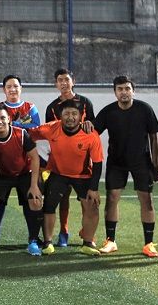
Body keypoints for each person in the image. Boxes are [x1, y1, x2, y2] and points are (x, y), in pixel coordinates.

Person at [93, 76, 158, 257]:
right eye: (120, 89)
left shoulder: (144, 109)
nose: (124, 92)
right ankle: (110, 241)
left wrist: (155, 165)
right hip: (117, 162)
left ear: (133, 90)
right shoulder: (108, 112)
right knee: (112, 198)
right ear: (115, 92)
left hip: (141, 162)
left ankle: (148, 244)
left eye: (127, 88)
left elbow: (154, 137)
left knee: (146, 200)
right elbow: (92, 133)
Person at [29, 100, 103, 256]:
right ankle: (48, 242)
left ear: (81, 116)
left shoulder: (91, 135)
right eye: (67, 114)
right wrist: (13, 126)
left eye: (74, 114)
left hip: (83, 176)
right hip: (58, 174)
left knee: (93, 206)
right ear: (60, 116)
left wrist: (94, 188)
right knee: (49, 206)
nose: (70, 117)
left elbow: (97, 164)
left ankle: (88, 243)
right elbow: (29, 133)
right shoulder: (51, 128)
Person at [0, 104, 43, 256]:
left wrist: (34, 185)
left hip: (25, 174)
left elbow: (34, 158)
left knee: (35, 200)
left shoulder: (21, 134)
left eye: (2, 118)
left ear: (9, 119)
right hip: (2, 175)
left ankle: (33, 241)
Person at [44, 68, 95, 247]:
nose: (64, 83)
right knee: (62, 197)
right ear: (56, 84)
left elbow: (92, 128)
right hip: (60, 163)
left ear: (73, 81)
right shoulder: (52, 107)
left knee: (85, 200)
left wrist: (90, 124)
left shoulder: (85, 102)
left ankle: (87, 232)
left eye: (66, 79)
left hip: (82, 162)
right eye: (60, 80)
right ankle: (64, 231)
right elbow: (49, 132)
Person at [0, 74, 42, 245]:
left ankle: (33, 238)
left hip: (25, 167)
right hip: (1, 168)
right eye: (9, 87)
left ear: (21, 88)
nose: (12, 89)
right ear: (4, 90)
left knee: (31, 201)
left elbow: (35, 131)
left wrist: (15, 128)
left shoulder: (30, 107)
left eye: (15, 86)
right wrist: (20, 126)